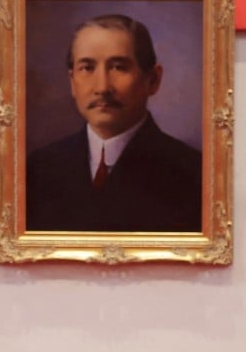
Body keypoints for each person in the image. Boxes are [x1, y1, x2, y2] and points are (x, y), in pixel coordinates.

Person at [25, 13, 203, 233]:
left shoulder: (194, 174)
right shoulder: (38, 170)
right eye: (87, 68)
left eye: (119, 67)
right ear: (72, 82)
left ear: (153, 80)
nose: (102, 87)